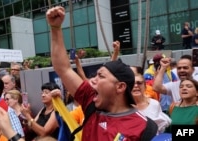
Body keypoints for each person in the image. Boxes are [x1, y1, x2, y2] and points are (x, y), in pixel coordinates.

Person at [46, 6, 157, 140]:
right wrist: (55, 28)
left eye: (101, 76)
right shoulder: (90, 100)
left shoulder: (144, 128)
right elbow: (63, 69)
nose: (92, 80)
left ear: (120, 87)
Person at [131, 66, 171, 133]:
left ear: (145, 86)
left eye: (139, 83)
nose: (136, 86)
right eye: (132, 84)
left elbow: (161, 127)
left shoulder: (154, 104)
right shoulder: (124, 106)